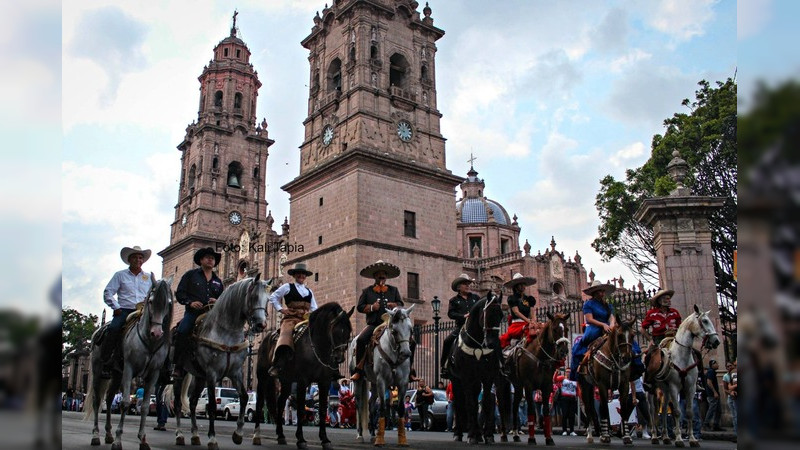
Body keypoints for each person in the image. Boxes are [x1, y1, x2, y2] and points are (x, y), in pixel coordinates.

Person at [350, 260, 416, 381]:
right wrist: (371, 307)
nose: (382, 277)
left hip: (391, 323)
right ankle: (359, 370)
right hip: (374, 324)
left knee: (412, 342)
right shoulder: (367, 291)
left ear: (386, 277)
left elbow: (401, 303)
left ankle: (410, 371)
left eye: (384, 275)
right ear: (375, 276)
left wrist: (394, 305)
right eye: (379, 275)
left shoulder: (393, 290)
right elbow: (360, 307)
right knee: (361, 340)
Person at [99, 245, 153, 378]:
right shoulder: (120, 275)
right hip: (124, 310)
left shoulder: (148, 277)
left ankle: (160, 363)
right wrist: (116, 307)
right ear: (129, 260)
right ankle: (107, 362)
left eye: (140, 258)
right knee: (114, 329)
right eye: (135, 257)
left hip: (143, 311)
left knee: (158, 330)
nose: (138, 260)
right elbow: (108, 292)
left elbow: (153, 294)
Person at [171, 247, 224, 378]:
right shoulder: (190, 275)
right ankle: (178, 366)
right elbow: (180, 293)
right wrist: (190, 302)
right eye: (208, 257)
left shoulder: (218, 281)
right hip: (194, 313)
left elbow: (223, 299)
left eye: (213, 258)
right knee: (183, 331)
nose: (211, 260)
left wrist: (217, 301)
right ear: (201, 260)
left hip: (213, 314)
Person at [268, 262, 318, 377]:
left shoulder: (309, 291)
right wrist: (281, 309)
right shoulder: (287, 287)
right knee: (286, 335)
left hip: (305, 319)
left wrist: (311, 314)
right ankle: (278, 364)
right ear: (294, 275)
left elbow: (314, 307)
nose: (301, 276)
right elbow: (273, 297)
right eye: (299, 274)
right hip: (291, 318)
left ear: (306, 276)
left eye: (303, 274)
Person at [569, 280, 617, 381]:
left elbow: (612, 317)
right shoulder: (588, 304)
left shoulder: (607, 305)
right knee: (582, 344)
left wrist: (611, 324)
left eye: (603, 291)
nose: (602, 293)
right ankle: (578, 368)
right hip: (594, 327)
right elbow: (589, 319)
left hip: (607, 327)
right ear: (595, 292)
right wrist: (603, 324)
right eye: (600, 291)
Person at [440, 274, 480, 379]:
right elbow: (451, 314)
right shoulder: (453, 300)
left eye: (468, 284)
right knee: (447, 341)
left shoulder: (475, 298)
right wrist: (463, 316)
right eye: (464, 284)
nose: (467, 286)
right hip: (461, 327)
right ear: (458, 287)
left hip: (476, 327)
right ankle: (444, 366)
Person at [641, 289, 682, 387]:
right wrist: (650, 340)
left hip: (674, 339)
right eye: (666, 299)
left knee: (693, 353)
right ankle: (648, 380)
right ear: (660, 301)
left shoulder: (675, 312)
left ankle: (696, 381)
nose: (669, 300)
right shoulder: (652, 313)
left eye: (669, 298)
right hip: (658, 340)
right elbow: (642, 329)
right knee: (649, 356)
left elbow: (680, 327)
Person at [499, 273, 542, 349]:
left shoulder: (529, 299)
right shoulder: (512, 298)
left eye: (524, 284)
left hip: (528, 322)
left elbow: (532, 311)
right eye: (520, 284)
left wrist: (534, 321)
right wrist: (529, 321)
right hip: (516, 324)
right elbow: (516, 312)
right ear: (516, 287)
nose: (523, 286)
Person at [554, 368, 578, 436]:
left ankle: (572, 430)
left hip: (572, 398)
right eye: (567, 372)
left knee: (572, 415)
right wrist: (556, 372)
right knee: (564, 414)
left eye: (570, 372)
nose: (568, 373)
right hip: (564, 398)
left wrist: (579, 396)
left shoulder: (574, 380)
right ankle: (564, 430)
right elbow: (555, 379)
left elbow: (577, 388)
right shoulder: (563, 378)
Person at [704, 359, 722, 431]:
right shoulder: (711, 371)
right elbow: (709, 382)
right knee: (712, 409)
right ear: (712, 365)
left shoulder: (712, 372)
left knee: (718, 410)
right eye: (716, 364)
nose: (718, 365)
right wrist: (714, 392)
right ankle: (706, 423)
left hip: (714, 394)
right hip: (712, 394)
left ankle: (716, 424)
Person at [722, 361, 737, 435]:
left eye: (730, 365)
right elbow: (725, 389)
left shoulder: (736, 374)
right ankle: (736, 432)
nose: (729, 367)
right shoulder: (726, 376)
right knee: (734, 416)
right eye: (727, 366)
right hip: (731, 397)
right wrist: (730, 392)